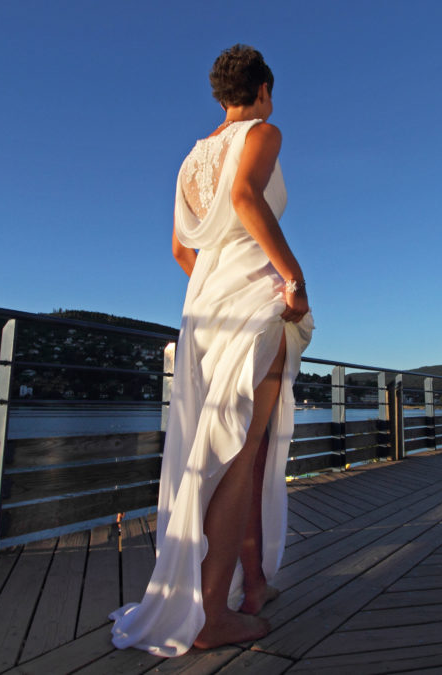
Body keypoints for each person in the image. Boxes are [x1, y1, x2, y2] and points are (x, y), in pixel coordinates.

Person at [110, 44, 313, 657]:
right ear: (264, 89)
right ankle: (209, 616)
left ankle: (253, 584)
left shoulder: (191, 159)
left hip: (203, 310)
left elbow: (180, 251)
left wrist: (217, 281)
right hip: (254, 302)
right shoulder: (264, 131)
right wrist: (291, 279)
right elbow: (249, 199)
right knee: (241, 451)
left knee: (230, 450)